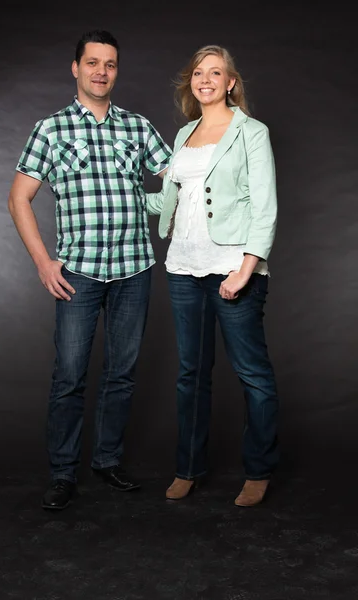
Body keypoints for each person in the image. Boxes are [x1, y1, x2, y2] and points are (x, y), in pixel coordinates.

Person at [8, 30, 171, 510]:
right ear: (75, 68)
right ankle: (62, 473)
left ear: (117, 71)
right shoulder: (51, 129)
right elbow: (19, 198)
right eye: (93, 62)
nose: (102, 71)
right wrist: (43, 260)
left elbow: (180, 174)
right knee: (71, 377)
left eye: (111, 64)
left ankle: (107, 461)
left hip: (134, 269)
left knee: (122, 374)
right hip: (77, 273)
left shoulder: (137, 127)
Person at [147, 45, 279, 506]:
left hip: (232, 270)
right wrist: (124, 187)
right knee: (191, 374)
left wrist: (245, 270)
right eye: (198, 72)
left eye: (215, 72)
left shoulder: (251, 133)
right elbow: (172, 200)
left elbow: (265, 207)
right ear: (193, 83)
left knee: (252, 374)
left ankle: (259, 470)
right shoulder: (184, 133)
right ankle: (188, 467)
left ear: (230, 83)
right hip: (183, 266)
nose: (205, 79)